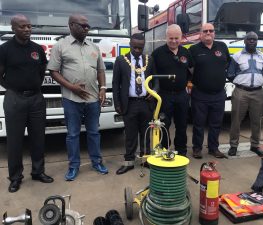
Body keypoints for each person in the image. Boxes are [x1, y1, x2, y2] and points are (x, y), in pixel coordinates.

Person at [47, 14, 108, 181]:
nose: (87, 28)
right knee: (73, 134)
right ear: (71, 25)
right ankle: (73, 166)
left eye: (88, 26)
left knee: (94, 132)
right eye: (83, 25)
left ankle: (97, 162)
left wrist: (102, 88)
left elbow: (101, 70)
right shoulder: (61, 46)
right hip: (71, 99)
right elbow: (53, 71)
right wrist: (71, 87)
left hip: (93, 99)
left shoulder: (93, 47)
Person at [0, 15, 54, 193]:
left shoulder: (37, 49)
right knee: (14, 141)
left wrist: (33, 86)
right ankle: (15, 177)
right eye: (22, 26)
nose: (27, 29)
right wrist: (13, 88)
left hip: (36, 99)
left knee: (38, 138)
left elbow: (42, 69)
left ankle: (38, 172)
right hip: (15, 98)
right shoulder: (5, 49)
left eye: (29, 26)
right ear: (13, 28)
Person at [113, 33, 158, 175]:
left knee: (146, 133)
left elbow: (156, 80)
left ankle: (146, 160)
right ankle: (129, 162)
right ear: (130, 44)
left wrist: (154, 91)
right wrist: (117, 103)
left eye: (140, 47)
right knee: (130, 135)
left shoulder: (149, 59)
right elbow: (115, 84)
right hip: (129, 103)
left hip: (146, 103)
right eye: (135, 47)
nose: (138, 50)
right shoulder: (121, 60)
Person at [189, 23, 230, 159]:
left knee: (216, 124)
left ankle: (213, 148)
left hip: (218, 94)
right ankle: (197, 148)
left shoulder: (222, 47)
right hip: (200, 94)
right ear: (200, 34)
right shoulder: (193, 49)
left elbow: (227, 64)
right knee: (199, 124)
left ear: (214, 33)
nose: (208, 33)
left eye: (210, 31)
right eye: (205, 31)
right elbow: (187, 69)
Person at [151, 24, 193, 156]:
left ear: (181, 37)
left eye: (176, 38)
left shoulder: (186, 52)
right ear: (166, 37)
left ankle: (181, 151)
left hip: (182, 95)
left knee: (182, 125)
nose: (174, 41)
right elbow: (151, 75)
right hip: (164, 96)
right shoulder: (157, 54)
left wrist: (188, 84)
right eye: (171, 38)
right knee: (163, 125)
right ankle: (164, 150)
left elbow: (191, 70)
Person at [227, 32, 263, 157]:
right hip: (241, 92)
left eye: (254, 39)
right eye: (249, 39)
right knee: (236, 120)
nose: (252, 41)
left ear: (257, 42)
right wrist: (241, 82)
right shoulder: (237, 56)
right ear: (244, 41)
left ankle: (255, 145)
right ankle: (233, 146)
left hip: (258, 92)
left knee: (257, 121)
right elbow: (230, 74)